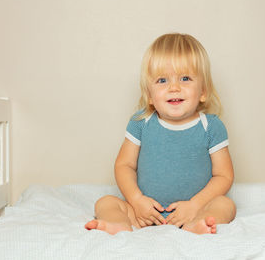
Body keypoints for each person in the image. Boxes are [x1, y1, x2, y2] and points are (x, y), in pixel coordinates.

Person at [85, 33, 236, 235]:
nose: (174, 87)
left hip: (193, 210)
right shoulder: (141, 122)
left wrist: (194, 205)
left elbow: (223, 176)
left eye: (185, 78)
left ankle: (198, 225)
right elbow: (124, 165)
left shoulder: (211, 127)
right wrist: (137, 201)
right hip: (144, 215)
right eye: (162, 80)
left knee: (225, 205)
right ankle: (118, 224)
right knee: (106, 202)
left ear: (203, 91)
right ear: (149, 95)